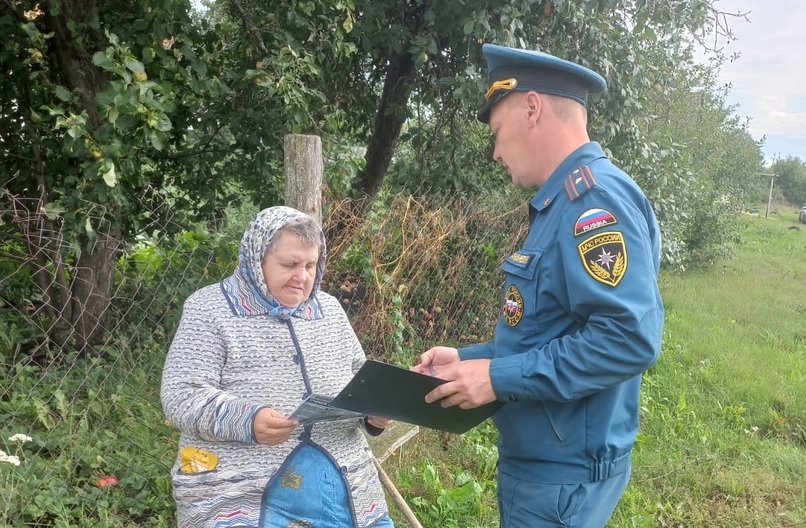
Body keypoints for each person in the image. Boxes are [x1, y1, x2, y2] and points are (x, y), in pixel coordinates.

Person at [412, 43, 664, 527]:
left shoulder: (591, 203)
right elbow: (546, 332)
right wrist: (469, 360)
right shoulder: (564, 202)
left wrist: (496, 378)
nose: (495, 152)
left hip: (561, 478)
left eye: (498, 132)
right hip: (548, 465)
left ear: (531, 108)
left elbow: (628, 337)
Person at [161, 206, 395, 528]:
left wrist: (376, 414)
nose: (303, 277)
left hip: (346, 487)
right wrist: (248, 419)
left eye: (311, 265)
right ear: (256, 262)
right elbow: (181, 394)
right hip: (238, 489)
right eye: (290, 264)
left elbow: (361, 379)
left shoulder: (328, 309)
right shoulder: (209, 309)